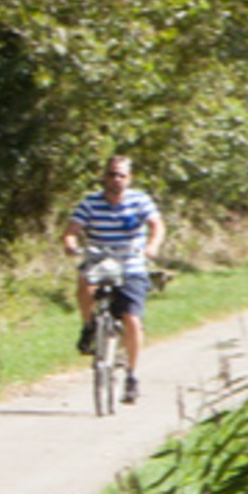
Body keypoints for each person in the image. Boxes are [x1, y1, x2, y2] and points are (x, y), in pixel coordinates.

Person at [62, 152, 165, 403]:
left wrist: (152, 247)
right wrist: (71, 244)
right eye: (111, 174)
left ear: (129, 178)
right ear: (104, 177)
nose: (116, 179)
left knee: (132, 319)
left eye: (121, 175)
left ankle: (132, 375)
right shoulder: (90, 203)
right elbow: (72, 230)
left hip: (130, 264)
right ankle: (89, 328)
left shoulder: (139, 201)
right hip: (99, 259)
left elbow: (157, 225)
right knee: (85, 283)